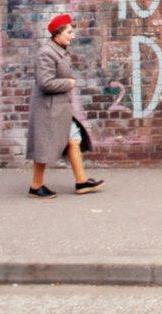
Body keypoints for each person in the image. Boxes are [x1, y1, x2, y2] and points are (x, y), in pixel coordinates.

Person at [25, 14, 104, 198]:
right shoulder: (46, 53)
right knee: (43, 147)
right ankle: (36, 186)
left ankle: (81, 182)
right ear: (57, 34)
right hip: (48, 110)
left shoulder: (58, 51)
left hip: (58, 109)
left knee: (73, 139)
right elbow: (45, 83)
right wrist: (69, 83)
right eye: (69, 32)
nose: (72, 35)